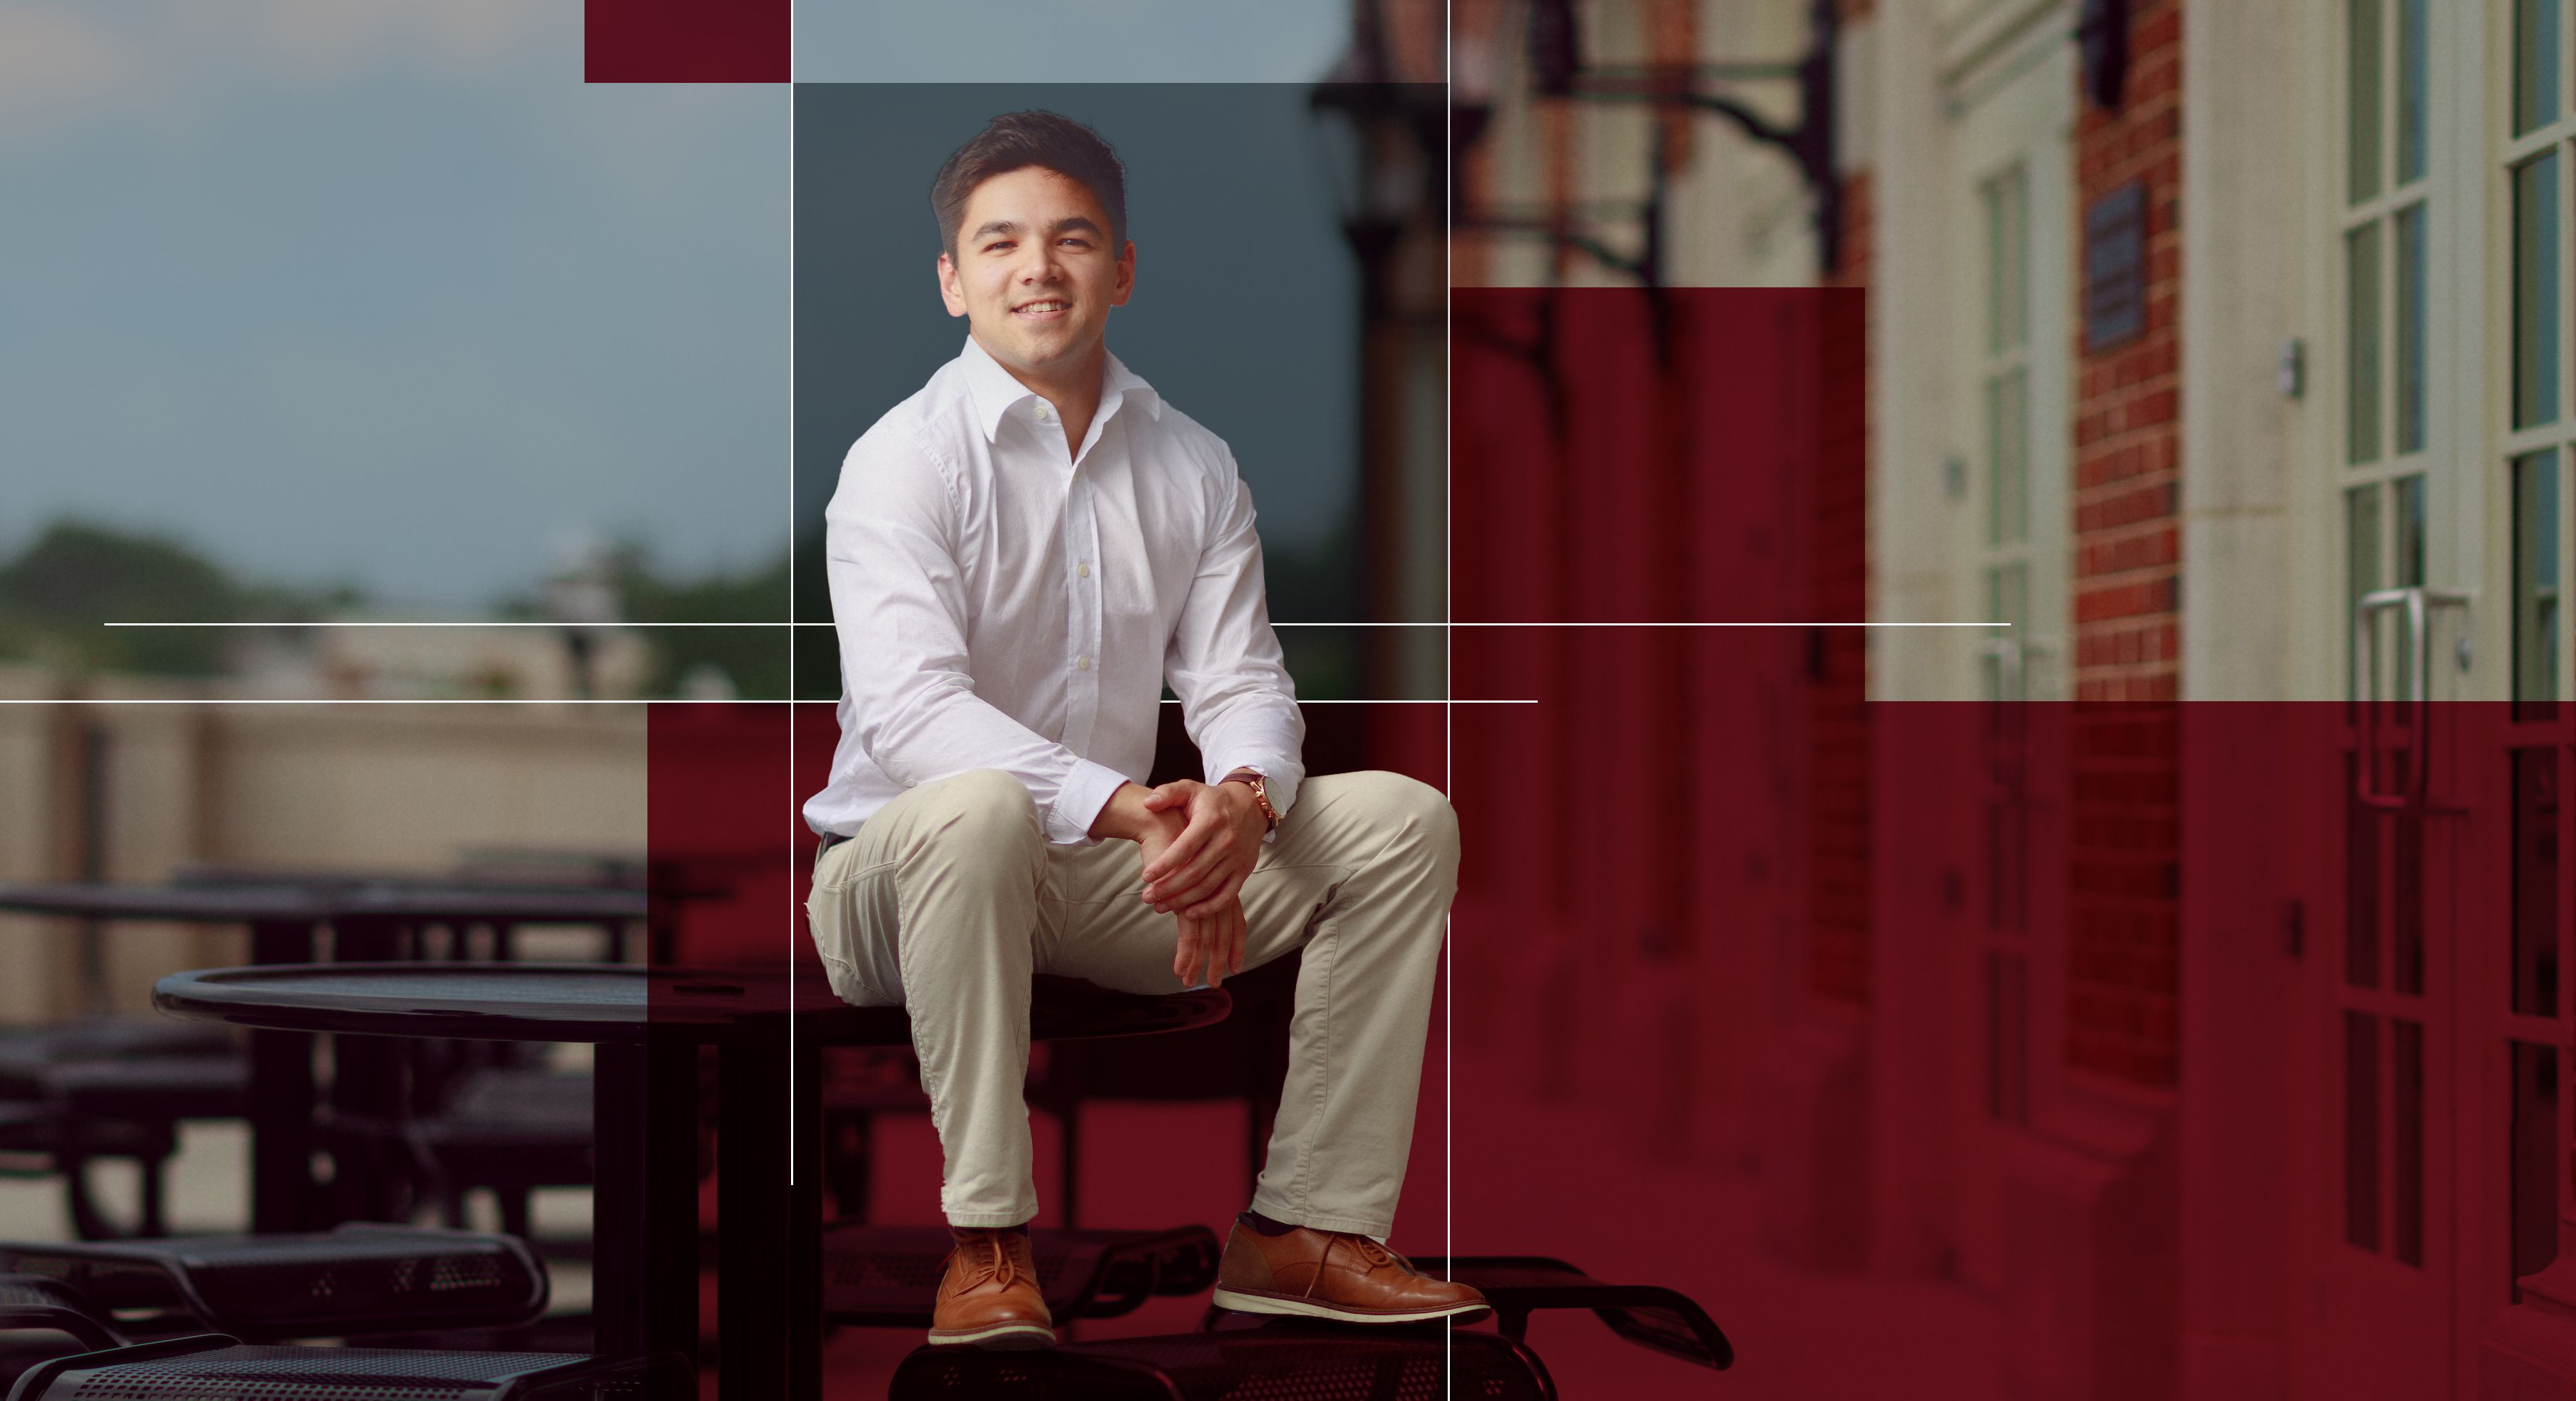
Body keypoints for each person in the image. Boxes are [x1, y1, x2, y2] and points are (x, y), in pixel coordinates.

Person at [801, 109, 1485, 1350]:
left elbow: (1240, 681)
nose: (1037, 267)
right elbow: (910, 715)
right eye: (999, 243)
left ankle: (1301, 1230)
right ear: (952, 280)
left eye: (1071, 239)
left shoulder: (1192, 464)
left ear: (1120, 270)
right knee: (979, 807)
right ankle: (987, 1244)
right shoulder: (901, 462)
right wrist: (1128, 807)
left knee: (1401, 820)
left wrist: (1239, 807)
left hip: (1102, 881)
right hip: (896, 886)